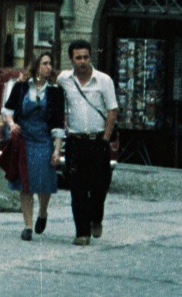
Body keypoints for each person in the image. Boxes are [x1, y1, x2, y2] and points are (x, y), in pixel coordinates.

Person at [57, 39, 118, 247]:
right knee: (78, 189)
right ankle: (82, 232)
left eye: (85, 57)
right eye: (78, 58)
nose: (82, 62)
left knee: (100, 187)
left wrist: (105, 140)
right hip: (75, 141)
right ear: (71, 59)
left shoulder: (103, 80)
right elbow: (44, 80)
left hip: (98, 141)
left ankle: (96, 217)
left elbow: (112, 111)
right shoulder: (65, 79)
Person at [1, 50, 65, 241]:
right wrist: (12, 124)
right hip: (24, 140)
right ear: (36, 66)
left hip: (44, 139)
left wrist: (56, 149)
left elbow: (58, 124)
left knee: (44, 182)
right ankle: (28, 226)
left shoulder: (55, 91)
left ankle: (43, 212)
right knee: (24, 183)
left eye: (50, 64)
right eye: (45, 63)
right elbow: (7, 110)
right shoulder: (21, 87)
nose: (48, 68)